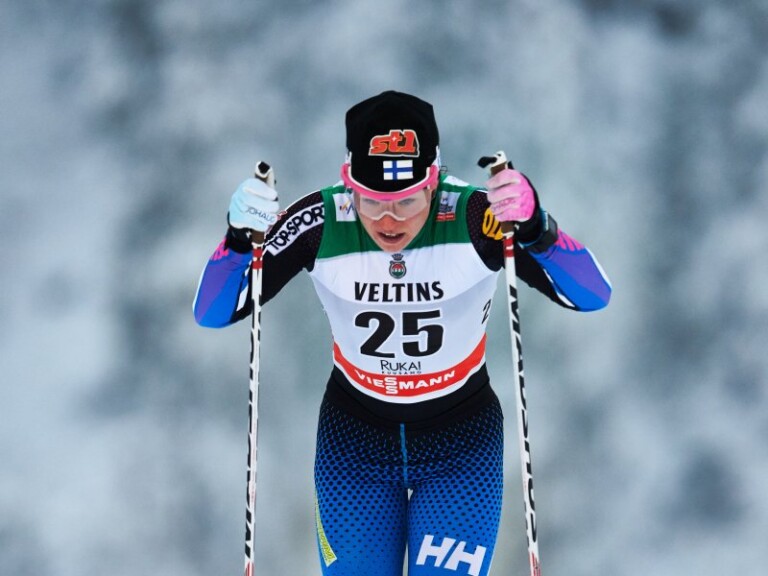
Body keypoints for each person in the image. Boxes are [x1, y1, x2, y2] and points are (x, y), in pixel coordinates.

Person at [194, 90, 611, 576]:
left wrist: (537, 227)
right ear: (348, 183)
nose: (388, 220)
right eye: (371, 202)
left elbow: (592, 294)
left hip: (460, 446)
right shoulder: (320, 221)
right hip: (355, 445)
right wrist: (237, 240)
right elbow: (214, 311)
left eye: (407, 201)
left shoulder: (478, 218)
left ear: (434, 183)